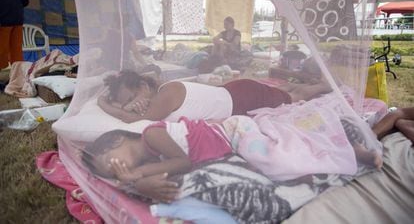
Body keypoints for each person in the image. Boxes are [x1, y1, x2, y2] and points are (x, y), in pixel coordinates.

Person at [82, 115, 382, 202]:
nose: (112, 171)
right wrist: (139, 180)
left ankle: (349, 151)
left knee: (277, 160)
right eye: (106, 172)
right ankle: (336, 153)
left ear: (119, 140)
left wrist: (135, 178)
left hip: (235, 133)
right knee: (275, 164)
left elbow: (183, 163)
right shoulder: (148, 162)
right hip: (233, 148)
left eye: (107, 161)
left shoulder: (152, 135)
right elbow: (165, 177)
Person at [97, 70, 333, 123]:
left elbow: (135, 120)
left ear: (143, 85)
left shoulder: (166, 93)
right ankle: (299, 84)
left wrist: (104, 105)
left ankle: (323, 85)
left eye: (133, 96)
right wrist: (127, 104)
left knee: (297, 96)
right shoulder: (161, 92)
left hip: (244, 98)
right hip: (235, 92)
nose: (133, 103)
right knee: (285, 93)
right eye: (127, 102)